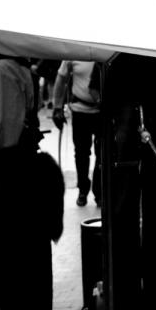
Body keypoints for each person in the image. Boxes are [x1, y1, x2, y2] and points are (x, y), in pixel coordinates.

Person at [0, 53, 59, 310]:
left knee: (17, 246)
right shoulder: (18, 68)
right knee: (29, 246)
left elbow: (4, 131)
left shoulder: (3, 68)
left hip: (11, 169)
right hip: (21, 166)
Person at [52, 60, 103, 207]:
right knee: (81, 153)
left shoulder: (103, 51)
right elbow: (61, 78)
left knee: (102, 153)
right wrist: (57, 107)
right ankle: (83, 189)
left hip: (102, 112)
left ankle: (99, 190)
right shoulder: (74, 53)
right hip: (80, 111)